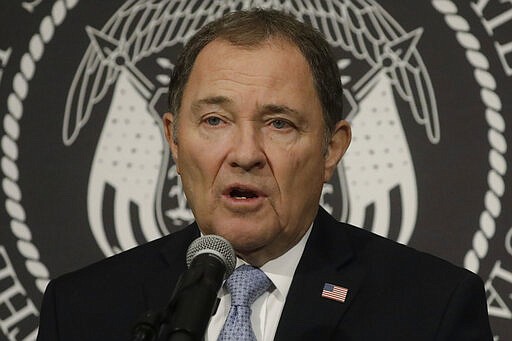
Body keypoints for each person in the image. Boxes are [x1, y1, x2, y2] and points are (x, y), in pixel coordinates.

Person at [37, 9, 492, 340]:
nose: (245, 154)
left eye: (279, 123)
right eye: (215, 120)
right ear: (174, 140)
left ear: (331, 149)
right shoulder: (81, 310)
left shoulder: (431, 310)